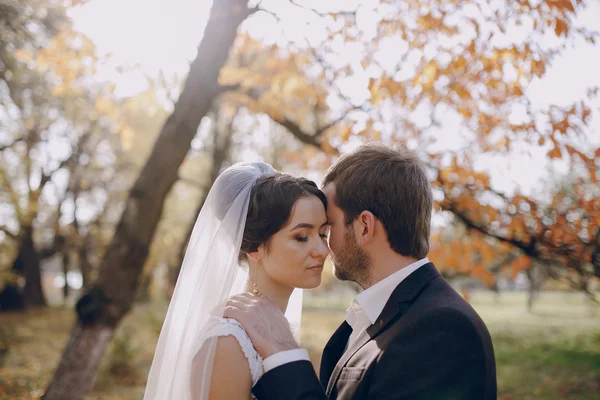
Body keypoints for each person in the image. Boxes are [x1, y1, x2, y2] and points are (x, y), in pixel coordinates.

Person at [225, 143, 497, 400]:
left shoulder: (441, 329)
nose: (324, 247)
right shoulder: (374, 318)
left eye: (327, 228)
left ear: (364, 226)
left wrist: (283, 352)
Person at [143, 162, 329, 400]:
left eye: (323, 233)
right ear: (254, 248)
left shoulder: (276, 328)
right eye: (302, 237)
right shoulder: (229, 343)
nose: (322, 250)